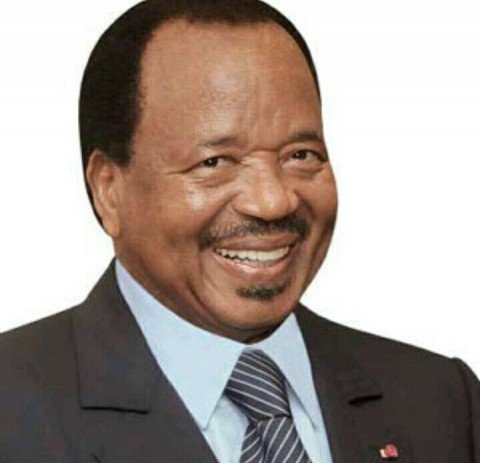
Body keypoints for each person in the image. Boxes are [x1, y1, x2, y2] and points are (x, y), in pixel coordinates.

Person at [0, 0, 478, 462]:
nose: (273, 201)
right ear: (109, 189)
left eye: (300, 155)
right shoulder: (13, 409)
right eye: (214, 162)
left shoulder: (442, 400)